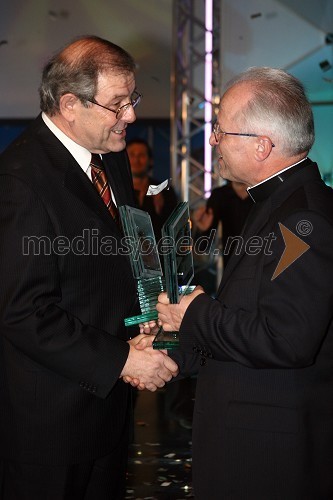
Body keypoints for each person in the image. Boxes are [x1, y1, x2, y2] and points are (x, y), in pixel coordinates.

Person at [0, 35, 178, 500]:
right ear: (70, 105)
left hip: (106, 412)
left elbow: (111, 267)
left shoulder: (109, 161)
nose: (132, 117)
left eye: (132, 99)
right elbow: (23, 312)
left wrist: (143, 325)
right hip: (49, 427)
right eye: (118, 105)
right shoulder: (20, 180)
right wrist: (123, 360)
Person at [153, 67, 333, 498]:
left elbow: (285, 338)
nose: (212, 140)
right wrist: (175, 347)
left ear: (262, 145)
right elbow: (247, 320)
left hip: (269, 456)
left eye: (221, 130)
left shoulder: (302, 218)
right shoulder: (277, 204)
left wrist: (194, 311)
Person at [127, 138, 178, 242]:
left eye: (141, 155)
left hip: (157, 252)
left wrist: (161, 210)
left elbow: (175, 228)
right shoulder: (117, 188)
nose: (136, 160)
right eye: (132, 155)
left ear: (150, 160)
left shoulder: (163, 189)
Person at [193, 180, 253, 266]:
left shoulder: (262, 193)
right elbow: (202, 246)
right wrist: (202, 230)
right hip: (232, 267)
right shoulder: (220, 195)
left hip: (263, 266)